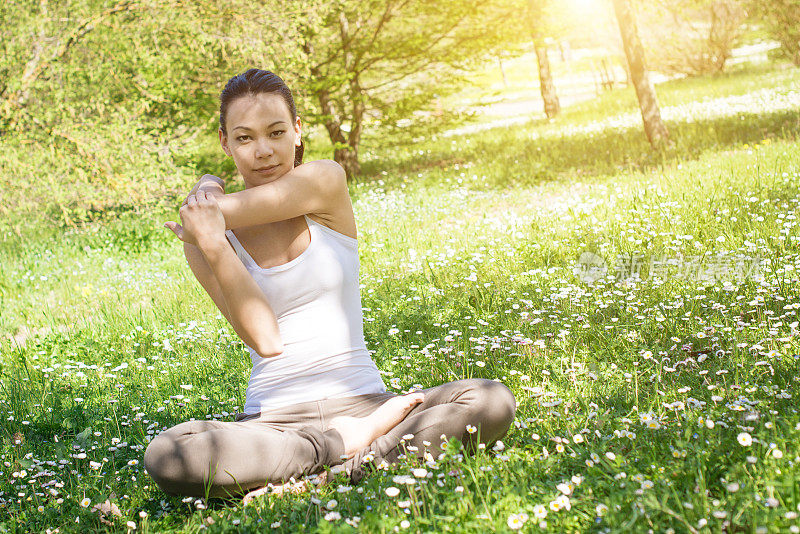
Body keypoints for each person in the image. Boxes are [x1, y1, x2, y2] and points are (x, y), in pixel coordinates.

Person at [143, 68, 517, 500]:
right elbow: (264, 339)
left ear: (298, 132)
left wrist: (206, 193)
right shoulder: (207, 239)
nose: (263, 151)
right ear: (225, 142)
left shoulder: (323, 182)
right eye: (244, 138)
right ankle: (348, 449)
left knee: (490, 400)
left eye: (276, 132)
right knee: (168, 454)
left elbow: (231, 209)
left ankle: (324, 473)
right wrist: (212, 240)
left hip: (365, 401)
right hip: (276, 424)